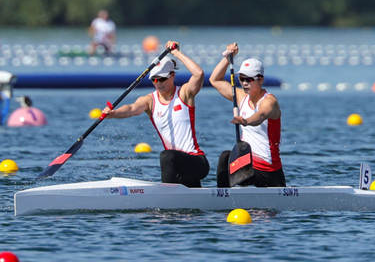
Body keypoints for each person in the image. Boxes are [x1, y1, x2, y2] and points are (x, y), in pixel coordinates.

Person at [102, 41, 209, 187]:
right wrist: (113, 113)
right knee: (171, 161)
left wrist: (176, 53)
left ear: (172, 75)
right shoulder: (149, 101)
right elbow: (132, 108)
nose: (158, 83)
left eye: (162, 79)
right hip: (176, 168)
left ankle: (167, 201)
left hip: (197, 162)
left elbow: (199, 73)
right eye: (154, 80)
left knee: (167, 155)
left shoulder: (184, 93)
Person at [209, 42, 286, 187]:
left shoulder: (270, 102)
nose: (244, 83)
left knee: (232, 157)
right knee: (225, 157)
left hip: (268, 172)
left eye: (249, 79)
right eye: (241, 78)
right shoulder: (241, 97)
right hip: (249, 165)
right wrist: (228, 57)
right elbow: (215, 80)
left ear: (260, 79)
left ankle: (232, 193)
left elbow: (261, 115)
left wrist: (245, 120)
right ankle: (222, 198)